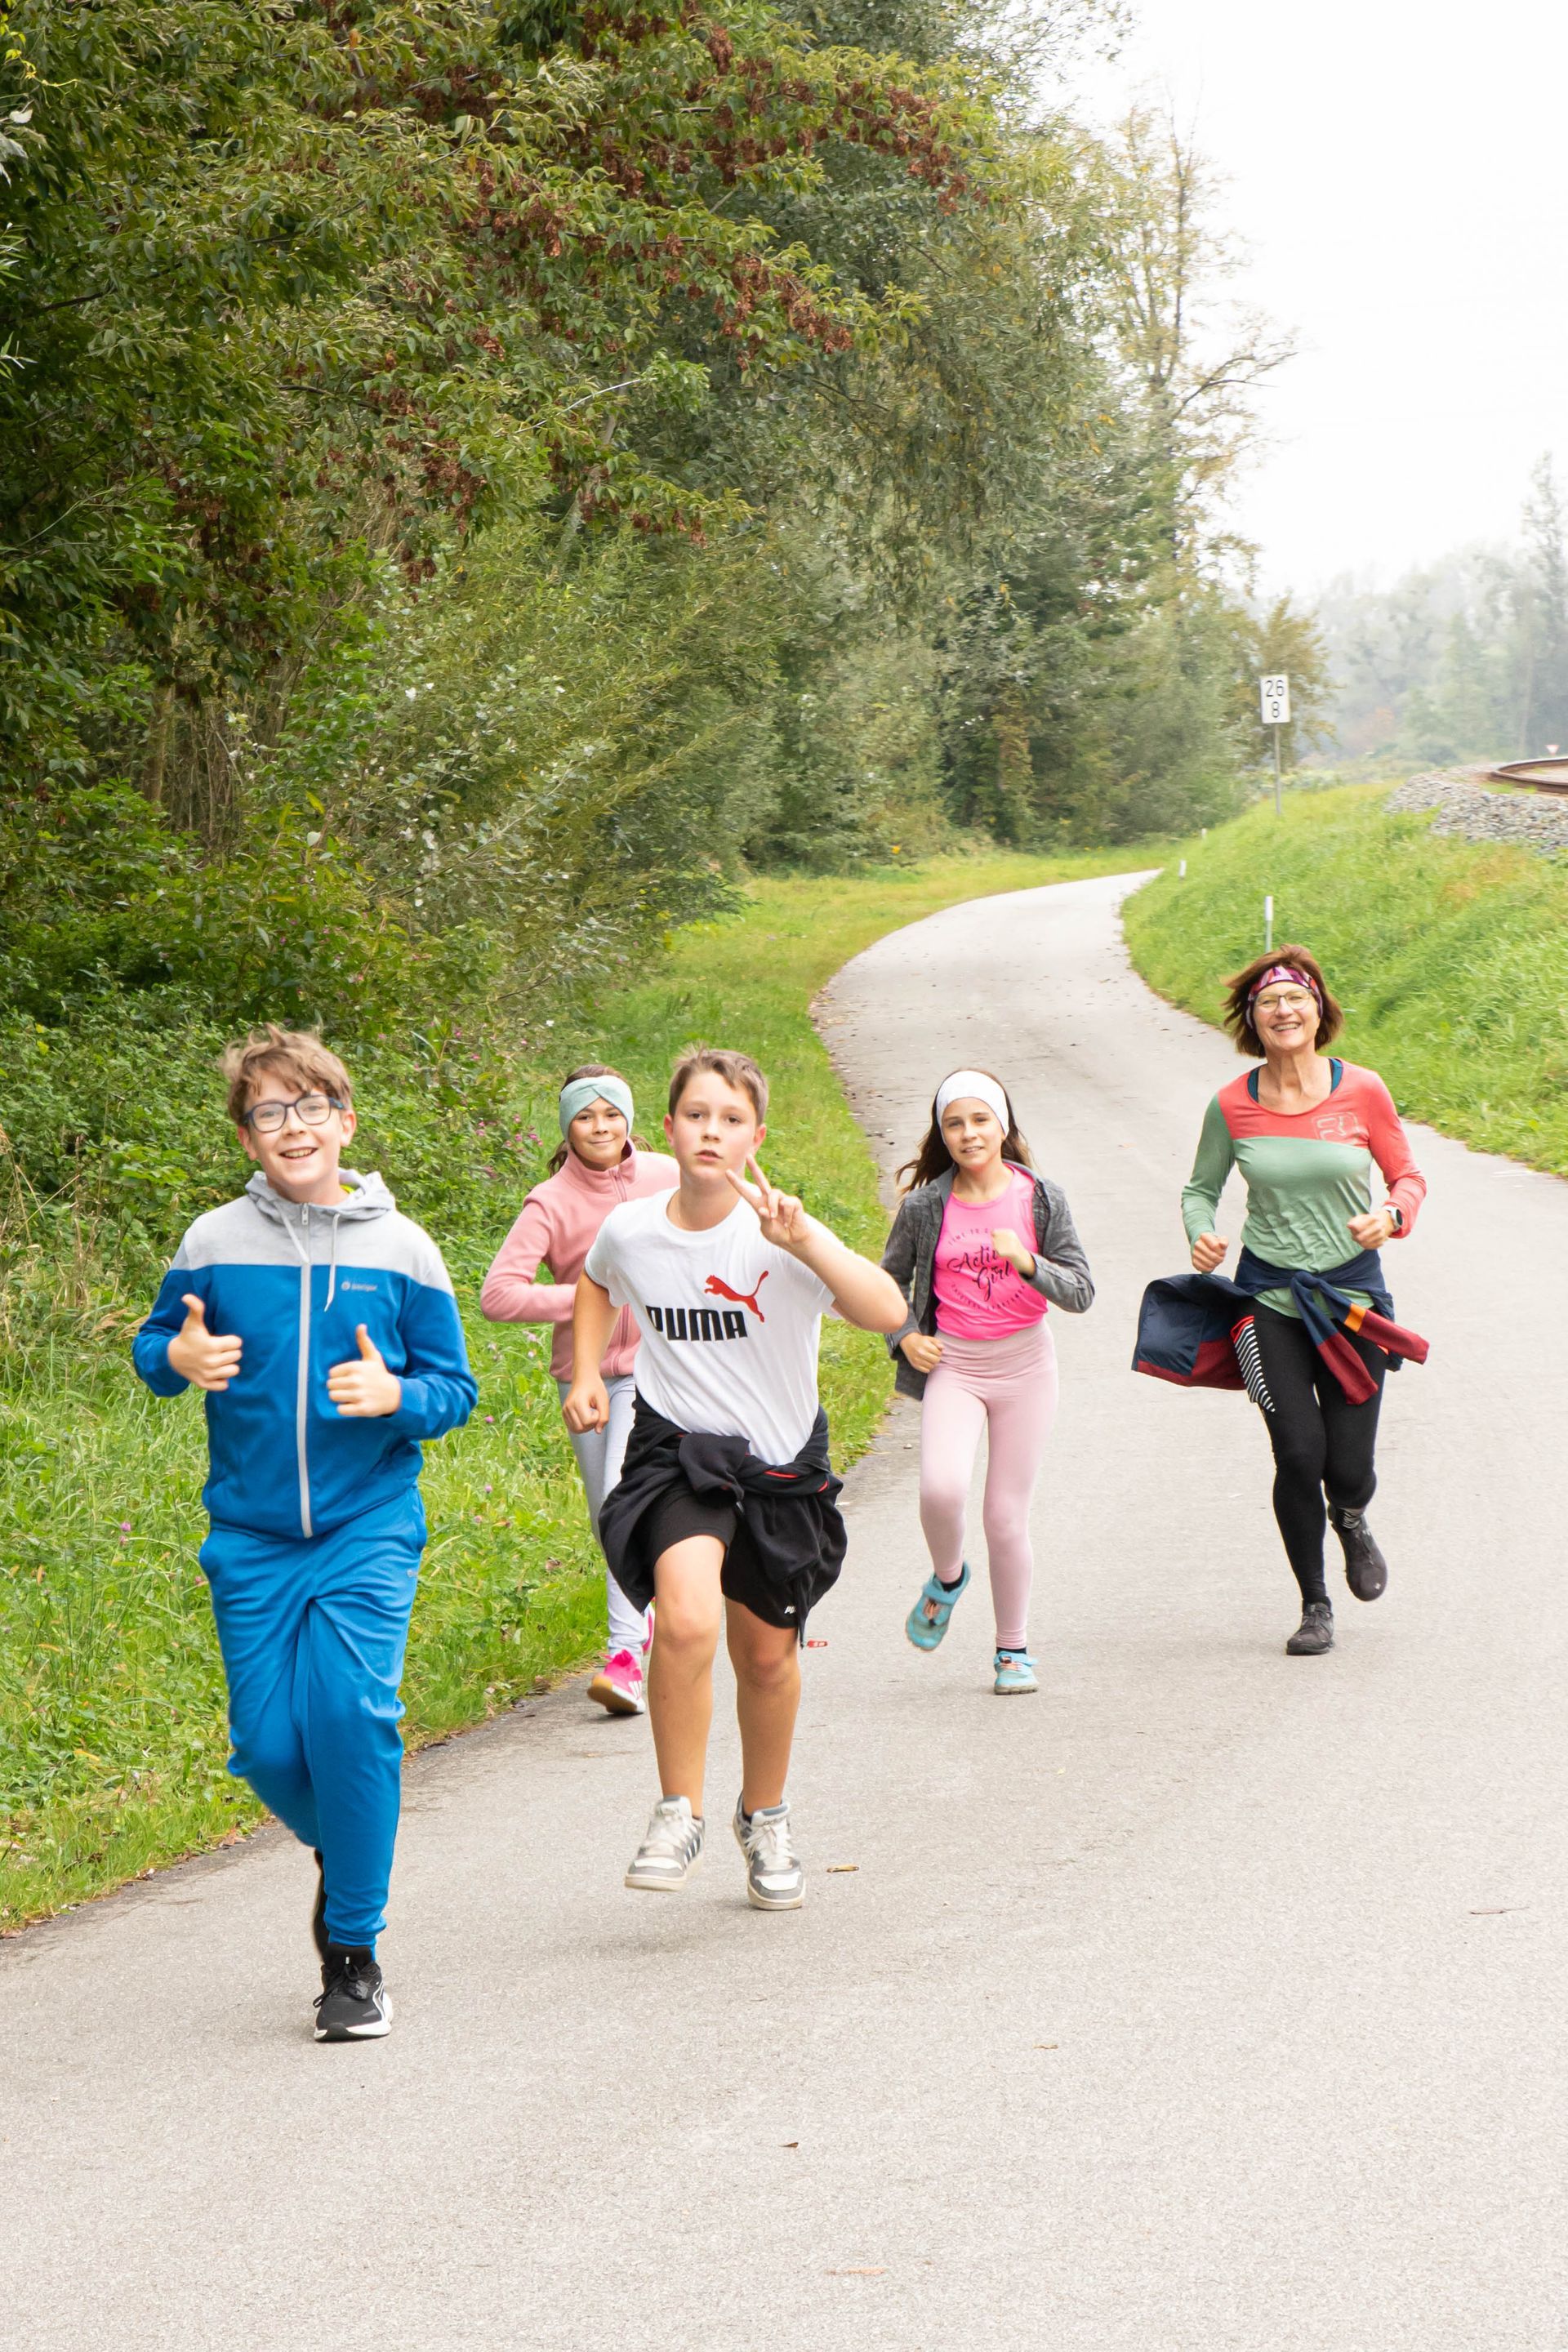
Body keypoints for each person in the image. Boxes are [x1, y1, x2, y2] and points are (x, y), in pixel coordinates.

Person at [132, 1025, 476, 2039]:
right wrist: (177, 1359)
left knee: (352, 1718)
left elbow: (454, 1389)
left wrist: (396, 1394)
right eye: (269, 1112)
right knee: (267, 1749)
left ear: (345, 1122)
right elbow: (156, 1347)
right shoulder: (212, 1242)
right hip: (249, 1536)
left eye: (311, 1106)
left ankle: (352, 1954)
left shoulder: (403, 1249)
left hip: (367, 1523)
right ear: (247, 1137)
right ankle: (352, 1842)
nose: (293, 1126)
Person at [564, 1045, 906, 1909]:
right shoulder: (633, 1229)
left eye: (730, 1119)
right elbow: (597, 1282)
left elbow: (888, 1312)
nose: (710, 1131)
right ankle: (677, 1810)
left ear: (756, 1136)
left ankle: (764, 1815)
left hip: (780, 1463)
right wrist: (587, 1373)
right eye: (696, 1115)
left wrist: (808, 1241)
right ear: (667, 1128)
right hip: (677, 1453)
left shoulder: (781, 1233)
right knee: (684, 1620)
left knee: (765, 1656)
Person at [1134, 947, 1427, 1656]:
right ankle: (1315, 1604)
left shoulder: (1363, 1090)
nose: (1284, 1010)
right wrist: (1202, 1234)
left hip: (1352, 1297)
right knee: (1298, 1452)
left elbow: (1408, 1177)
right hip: (1267, 1297)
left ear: (1319, 1010)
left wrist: (1391, 1216)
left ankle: (1349, 1516)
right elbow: (1199, 1190)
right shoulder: (1232, 1104)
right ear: (1253, 1019)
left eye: (1297, 998)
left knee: (1348, 1469)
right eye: (1269, 1002)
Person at [881, 1070, 1094, 1694]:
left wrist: (1028, 1263)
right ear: (941, 1134)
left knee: (1005, 1518)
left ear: (1003, 1126)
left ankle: (1013, 1651)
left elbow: (1081, 1291)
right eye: (954, 1123)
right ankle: (948, 1579)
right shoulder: (925, 1206)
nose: (969, 1133)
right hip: (955, 1366)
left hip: (1026, 1368)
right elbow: (887, 1282)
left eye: (980, 1120)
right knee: (941, 1489)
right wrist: (904, 1337)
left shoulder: (1041, 1199)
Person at [480, 1065, 677, 1716]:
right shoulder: (549, 1201)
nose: (601, 1127)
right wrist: (591, 1295)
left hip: (662, 1366)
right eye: (586, 1117)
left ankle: (625, 1659)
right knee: (608, 1517)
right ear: (567, 1128)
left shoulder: (665, 1175)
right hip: (587, 1374)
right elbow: (499, 1295)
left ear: (630, 1120)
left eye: (612, 1114)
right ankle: (654, 1616)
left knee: (623, 1495)